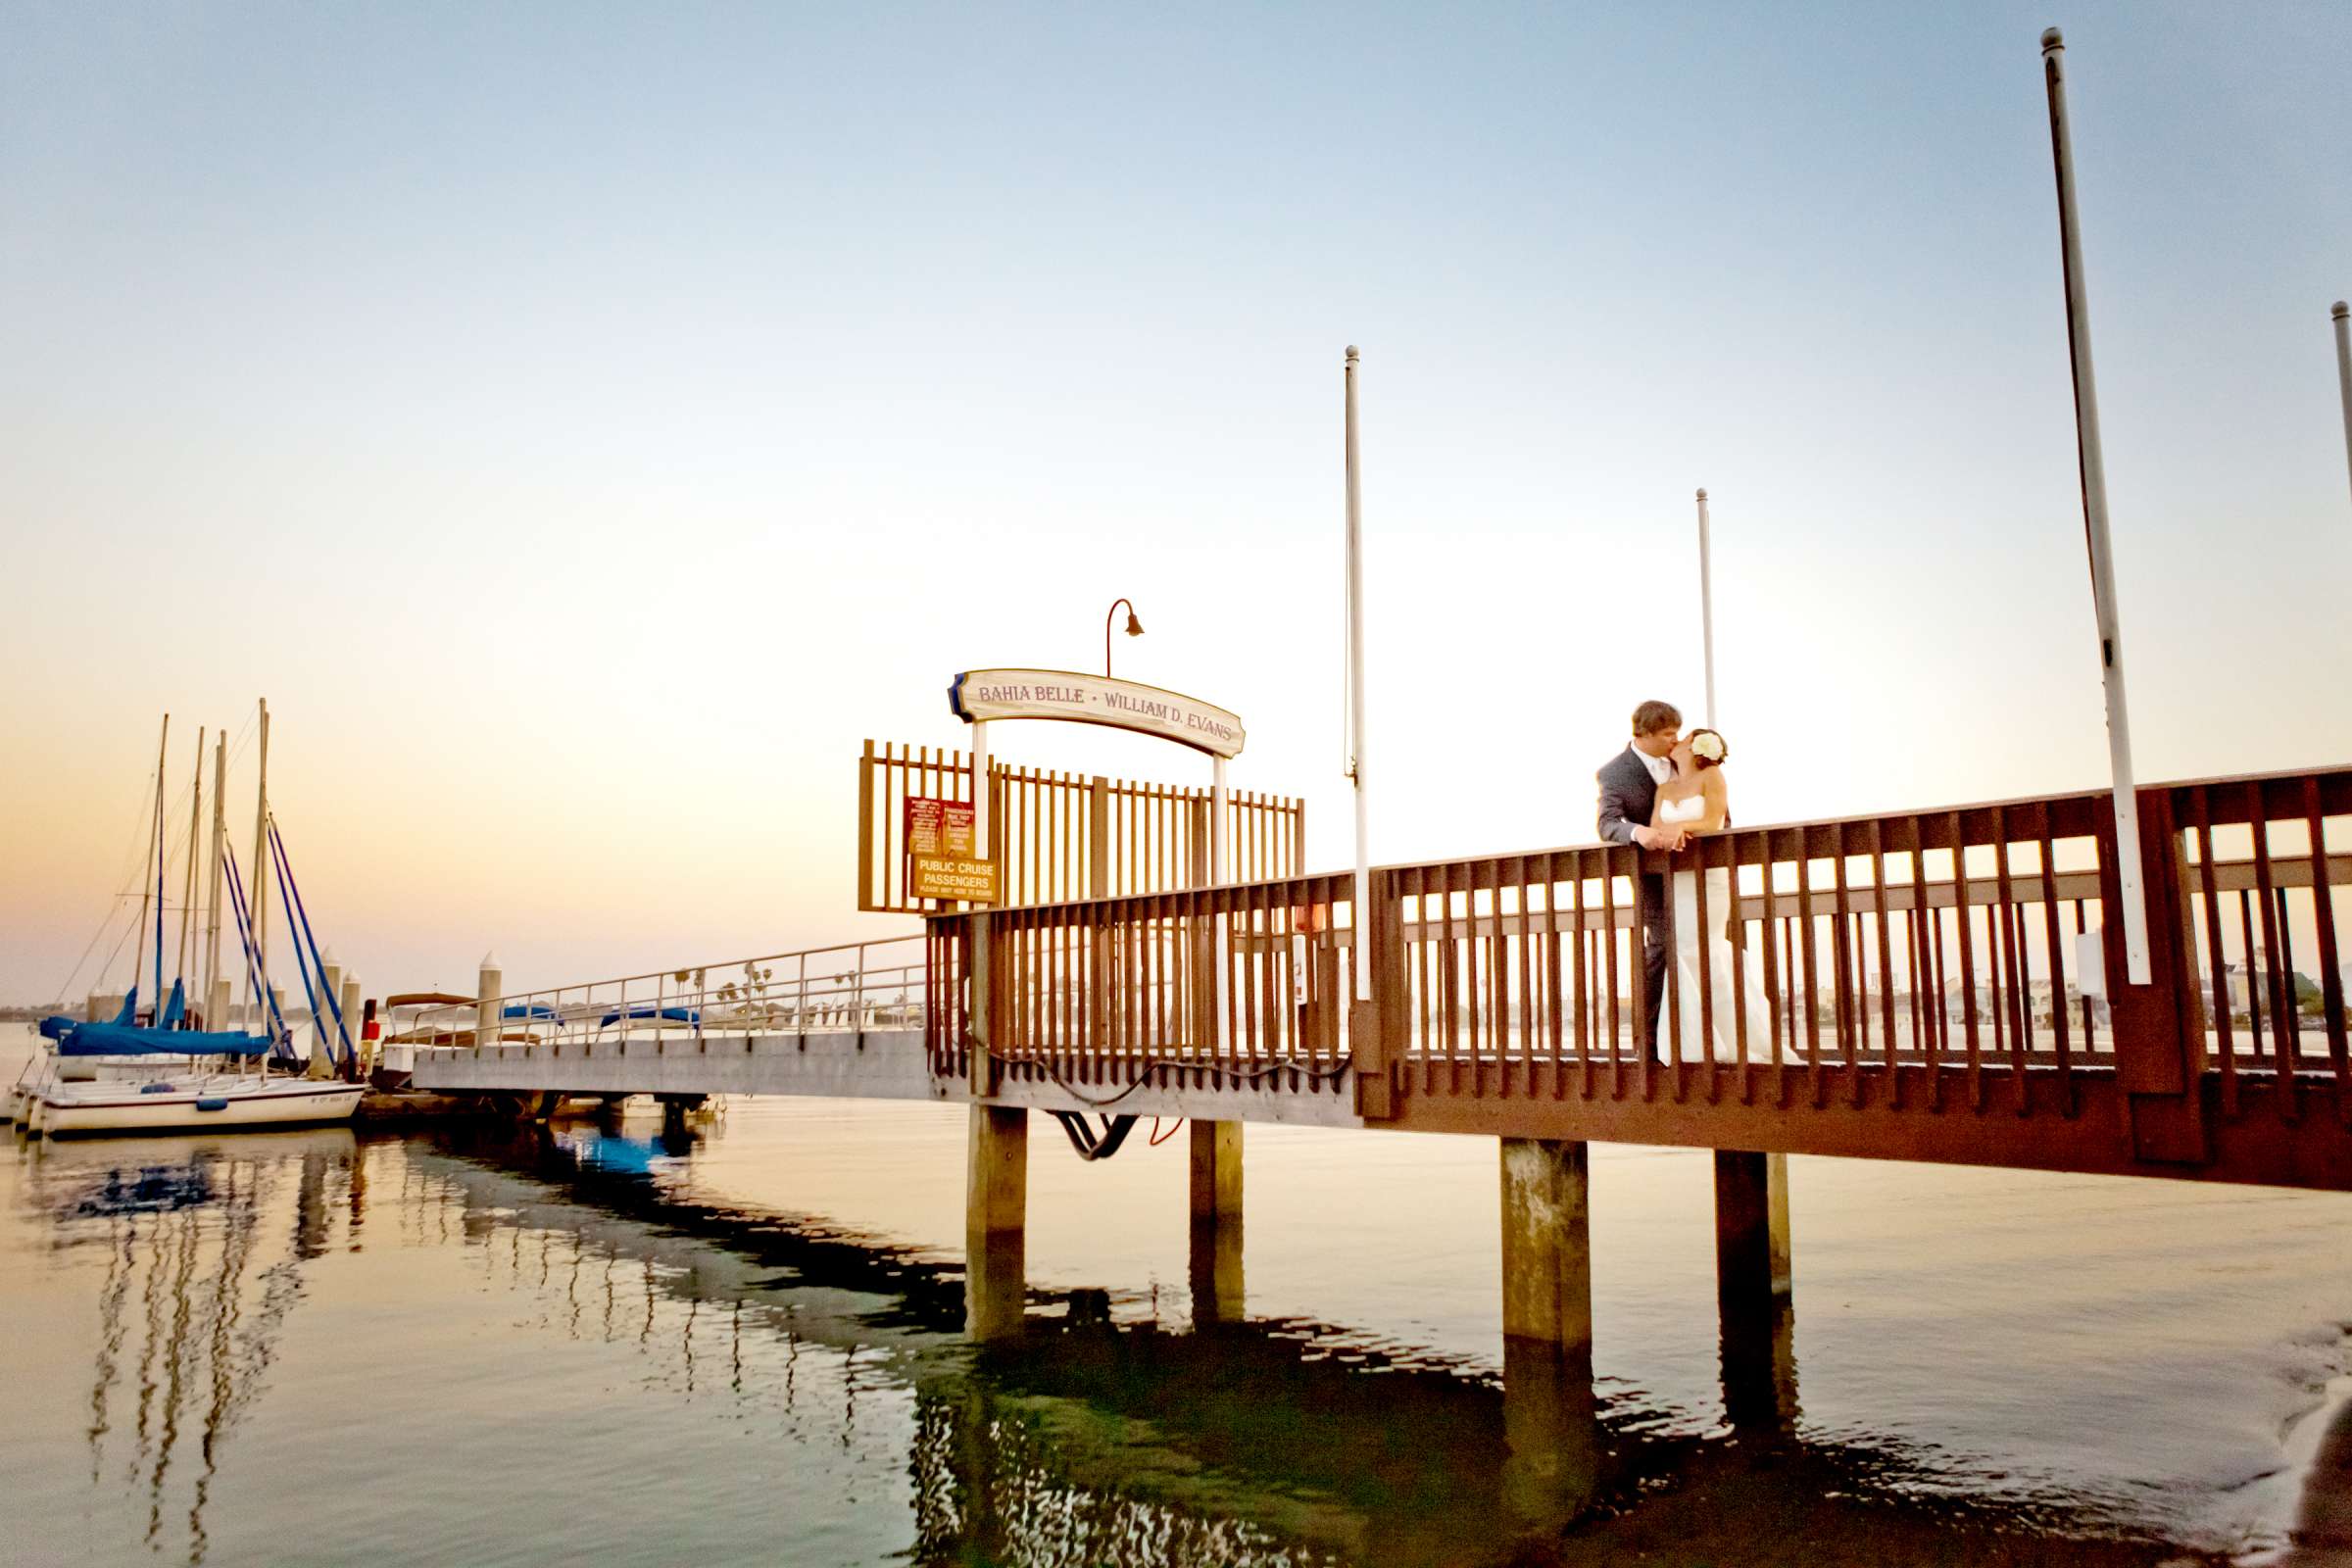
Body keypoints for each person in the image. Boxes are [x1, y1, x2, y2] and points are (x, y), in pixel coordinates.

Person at [1650, 727, 1775, 1062]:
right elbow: (1656, 827)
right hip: (1680, 881)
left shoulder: (1712, 777)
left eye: (1685, 738)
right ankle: (1692, 1042)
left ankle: (1733, 1038)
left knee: (1705, 948)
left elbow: (1713, 821)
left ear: (1697, 748)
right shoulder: (1664, 789)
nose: (1676, 741)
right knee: (1683, 951)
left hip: (1709, 879)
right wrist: (1664, 834)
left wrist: (1683, 829)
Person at [1595, 701, 1686, 1058]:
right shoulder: (1614, 773)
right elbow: (1607, 823)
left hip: (1695, 872)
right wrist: (1638, 833)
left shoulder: (1685, 759)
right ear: (1644, 734)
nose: (1674, 740)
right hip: (1652, 879)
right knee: (1662, 947)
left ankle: (1693, 1034)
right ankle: (1648, 1042)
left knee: (1704, 947)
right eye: (1667, 734)